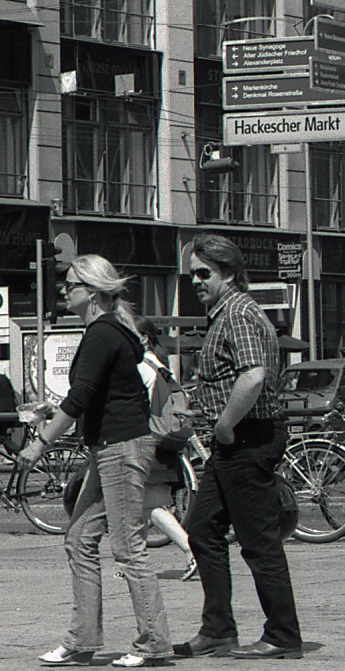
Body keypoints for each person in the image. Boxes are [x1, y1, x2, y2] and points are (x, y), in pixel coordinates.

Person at [18, 254, 171, 667]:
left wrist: (39, 444)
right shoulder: (108, 331)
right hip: (109, 447)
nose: (65, 291)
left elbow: (83, 395)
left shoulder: (102, 333)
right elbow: (97, 395)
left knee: (127, 548)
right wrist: (55, 410)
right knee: (80, 538)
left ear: (94, 291)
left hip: (120, 449)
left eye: (71, 285)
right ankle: (83, 638)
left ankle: (153, 642)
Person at [173, 234, 302, 660]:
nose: (196, 281)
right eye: (193, 274)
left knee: (258, 539)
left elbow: (253, 376)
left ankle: (282, 635)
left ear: (229, 272)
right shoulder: (224, 313)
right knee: (201, 528)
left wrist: (225, 425)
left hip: (248, 438)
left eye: (204, 273)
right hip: (231, 442)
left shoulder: (240, 313)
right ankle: (218, 630)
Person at [135, 317, 197, 581]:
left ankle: (192, 549)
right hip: (168, 441)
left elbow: (139, 408)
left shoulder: (141, 367)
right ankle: (134, 563)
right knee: (141, 506)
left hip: (151, 442)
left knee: (151, 506)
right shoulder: (163, 365)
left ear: (144, 338)